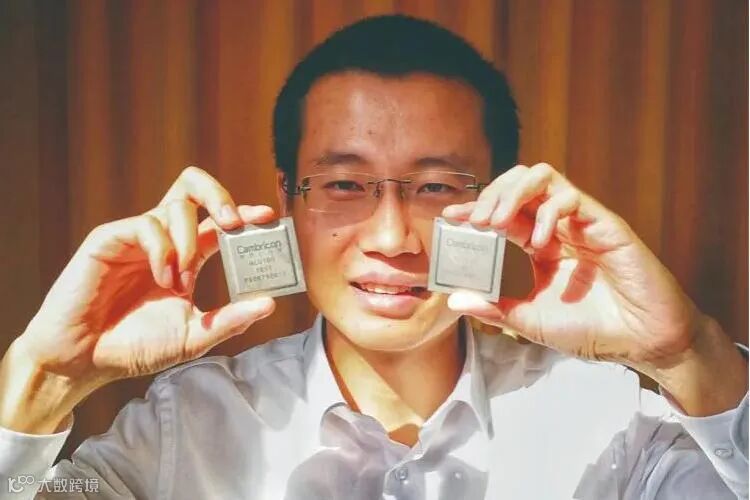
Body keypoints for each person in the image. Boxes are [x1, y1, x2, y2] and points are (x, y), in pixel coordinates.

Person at [0, 14, 747, 500]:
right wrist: (40, 379)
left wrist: (691, 354)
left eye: (436, 186)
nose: (392, 238)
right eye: (344, 185)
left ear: (504, 202)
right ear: (289, 201)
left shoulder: (610, 422)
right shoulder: (186, 424)